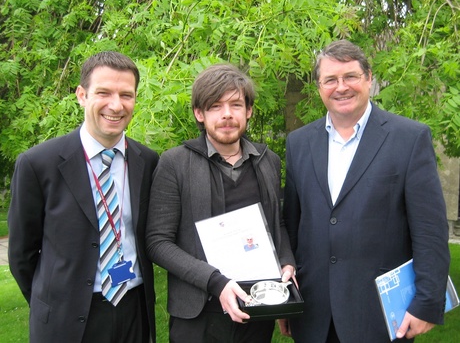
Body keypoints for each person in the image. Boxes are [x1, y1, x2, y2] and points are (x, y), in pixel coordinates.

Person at [280, 39, 450, 342]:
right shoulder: (299, 143)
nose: (340, 87)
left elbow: (430, 231)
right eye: (330, 79)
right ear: (319, 87)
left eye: (350, 77)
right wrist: (286, 297)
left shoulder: (410, 139)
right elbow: (291, 226)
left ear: (369, 79)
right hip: (313, 312)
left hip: (379, 315)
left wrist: (428, 301)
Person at [8, 51, 159, 343]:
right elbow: (21, 256)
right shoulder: (38, 164)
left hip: (134, 310)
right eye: (104, 92)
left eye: (126, 95)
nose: (116, 105)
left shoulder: (148, 161)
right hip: (67, 317)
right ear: (82, 95)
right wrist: (51, 301)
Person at [145, 63, 296, 343]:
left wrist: (286, 261)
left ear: (249, 111)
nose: (227, 114)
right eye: (215, 106)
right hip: (199, 314)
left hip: (255, 309)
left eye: (236, 104)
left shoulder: (268, 162)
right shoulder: (175, 163)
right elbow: (158, 243)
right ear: (199, 114)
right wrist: (217, 282)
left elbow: (279, 223)